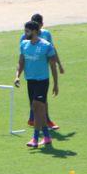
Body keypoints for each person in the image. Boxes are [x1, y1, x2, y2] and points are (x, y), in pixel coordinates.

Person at [15, 20, 59, 148]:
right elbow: (21, 62)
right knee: (36, 109)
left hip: (42, 81)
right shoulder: (24, 44)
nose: (25, 33)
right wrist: (17, 76)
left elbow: (53, 66)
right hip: (31, 81)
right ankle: (46, 136)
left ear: (34, 31)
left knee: (36, 106)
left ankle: (35, 138)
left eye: (27, 31)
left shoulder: (46, 46)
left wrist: (55, 84)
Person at [23, 13, 62, 130]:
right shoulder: (26, 37)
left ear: (41, 25)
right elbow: (23, 55)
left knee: (41, 100)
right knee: (36, 101)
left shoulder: (46, 35)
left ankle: (42, 122)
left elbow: (52, 49)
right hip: (32, 73)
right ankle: (38, 122)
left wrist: (59, 64)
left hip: (43, 72)